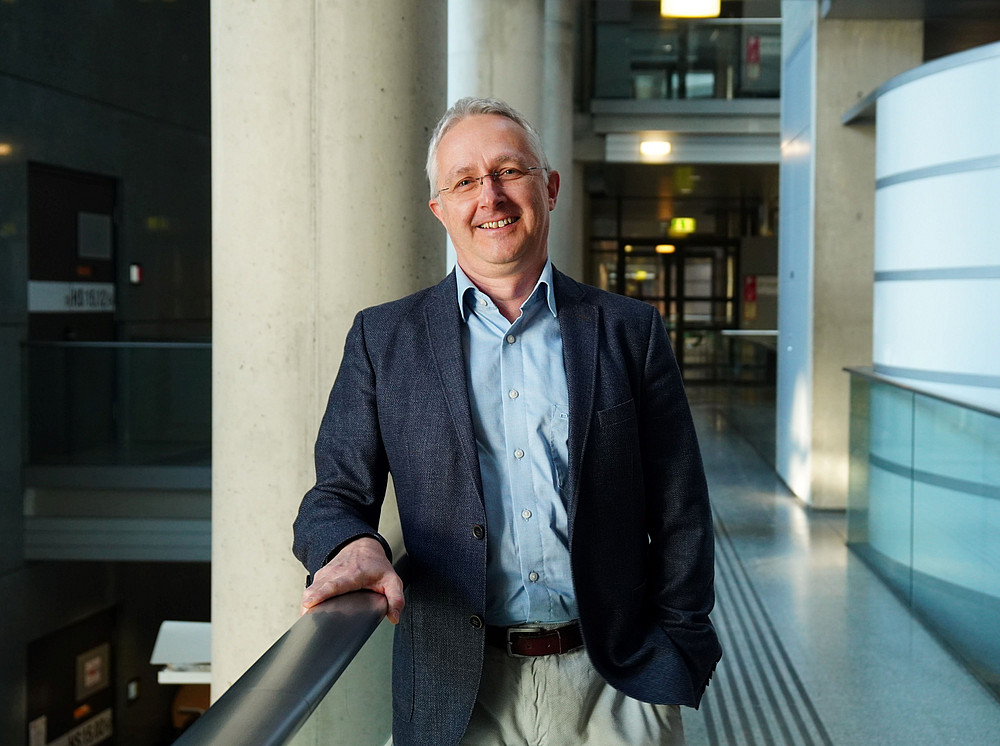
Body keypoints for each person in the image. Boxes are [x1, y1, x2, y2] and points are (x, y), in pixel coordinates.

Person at [293, 97, 721, 746]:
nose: (489, 195)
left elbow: (681, 505)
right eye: (464, 181)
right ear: (441, 209)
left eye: (509, 171)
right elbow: (333, 498)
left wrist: (678, 649)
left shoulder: (629, 332)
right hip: (458, 696)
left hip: (615, 685)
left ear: (549, 188)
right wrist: (353, 546)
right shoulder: (383, 339)